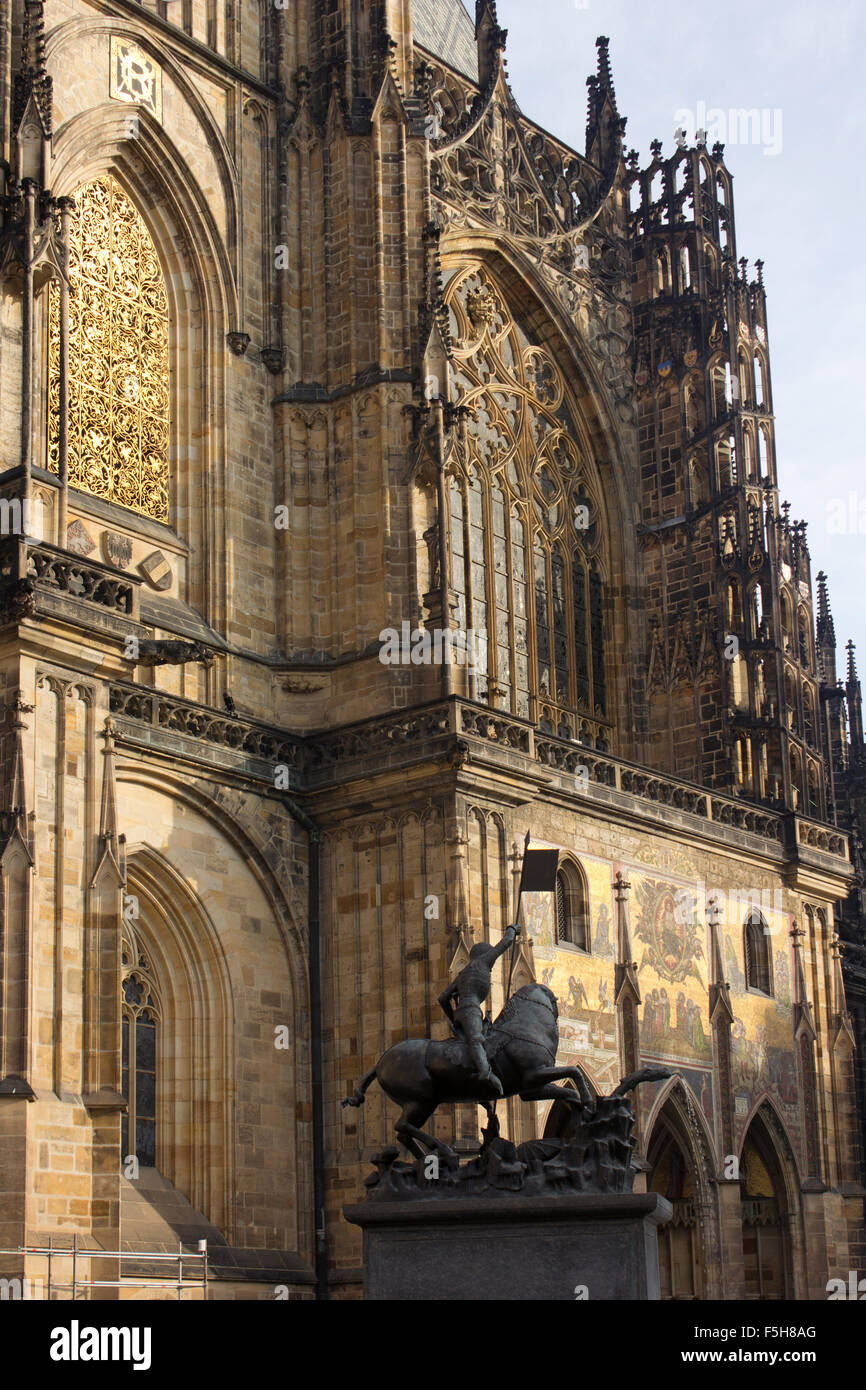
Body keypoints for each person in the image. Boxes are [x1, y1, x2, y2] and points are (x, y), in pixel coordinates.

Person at [438, 924, 519, 1094]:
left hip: (462, 1011)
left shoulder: (462, 974)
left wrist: (454, 1017)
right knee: (476, 1039)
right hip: (471, 1008)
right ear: (484, 954)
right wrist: (512, 928)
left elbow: (443, 998)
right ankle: (484, 1071)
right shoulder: (483, 962)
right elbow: (506, 942)